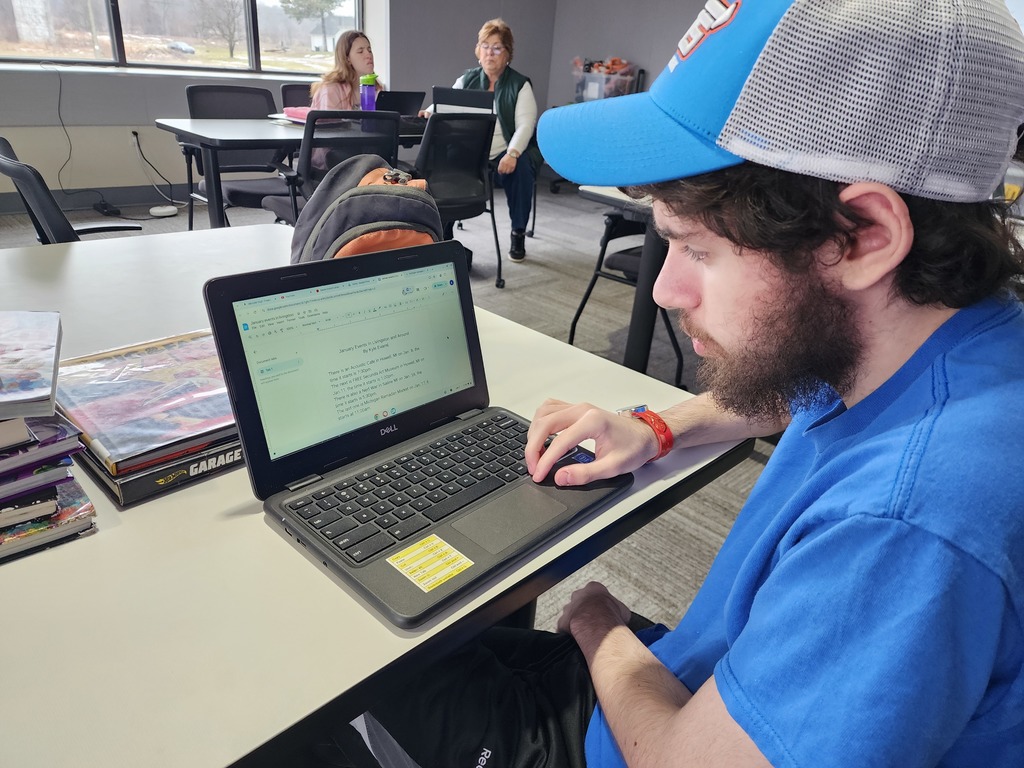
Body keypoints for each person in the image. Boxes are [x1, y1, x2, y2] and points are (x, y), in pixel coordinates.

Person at [312, 1, 1024, 766]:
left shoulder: (912, 522)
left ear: (865, 237)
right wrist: (657, 427)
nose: (663, 289)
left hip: (660, 735)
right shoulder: (941, 336)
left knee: (342, 681)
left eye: (698, 250)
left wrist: (597, 625)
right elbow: (803, 395)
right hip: (712, 684)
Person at [422, 18, 541, 263]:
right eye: (485, 46)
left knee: (521, 169)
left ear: (507, 54)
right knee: (444, 165)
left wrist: (513, 153)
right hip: (470, 152)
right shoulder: (468, 79)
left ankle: (518, 232)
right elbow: (446, 103)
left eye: (497, 48)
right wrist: (429, 111)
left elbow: (525, 125)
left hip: (504, 152)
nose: (490, 53)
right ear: (478, 51)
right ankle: (445, 231)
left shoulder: (519, 85)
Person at [310, 30, 384, 112]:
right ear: (347, 58)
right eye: (360, 51)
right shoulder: (330, 90)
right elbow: (329, 120)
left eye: (369, 50)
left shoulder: (376, 89)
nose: (369, 55)